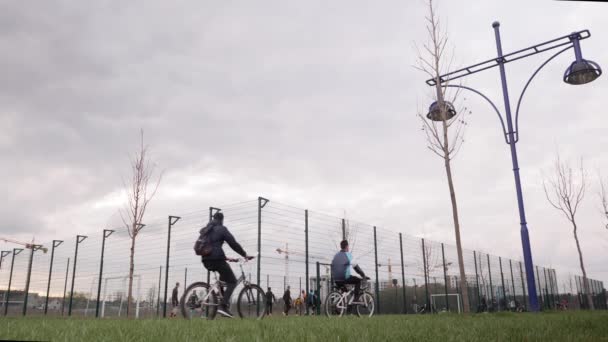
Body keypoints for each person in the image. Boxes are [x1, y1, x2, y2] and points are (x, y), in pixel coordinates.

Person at [201, 212, 253, 318]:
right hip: (217, 259)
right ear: (222, 220)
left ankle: (220, 299)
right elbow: (233, 243)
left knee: (223, 277)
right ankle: (222, 306)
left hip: (205, 259)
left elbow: (211, 247)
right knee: (232, 282)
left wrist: (226, 258)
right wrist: (245, 255)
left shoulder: (207, 230)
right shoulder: (222, 229)